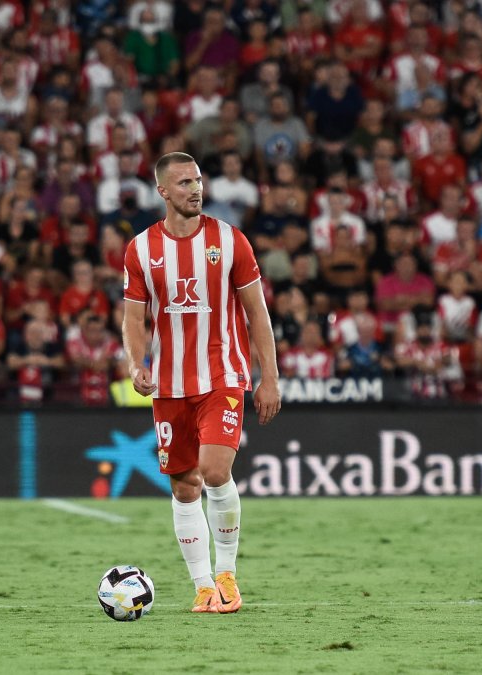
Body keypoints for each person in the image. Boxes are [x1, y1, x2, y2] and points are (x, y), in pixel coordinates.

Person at [121, 152, 280, 614]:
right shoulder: (141, 249)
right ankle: (203, 584)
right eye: (184, 182)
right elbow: (134, 320)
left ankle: (228, 575)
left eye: (198, 181)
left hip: (223, 374)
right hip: (169, 384)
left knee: (214, 472)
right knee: (183, 487)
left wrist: (268, 378)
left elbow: (257, 314)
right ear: (163, 192)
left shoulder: (231, 241)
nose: (195, 189)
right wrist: (136, 364)